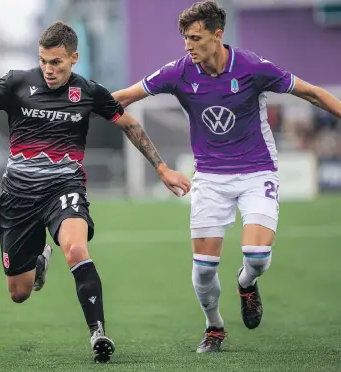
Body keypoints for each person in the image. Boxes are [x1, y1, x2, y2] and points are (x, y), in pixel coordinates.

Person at [0, 22, 191, 363]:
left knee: (76, 248)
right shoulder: (17, 82)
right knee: (19, 293)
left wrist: (162, 168)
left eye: (57, 62)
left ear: (73, 58)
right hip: (18, 196)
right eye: (44, 61)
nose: (49, 69)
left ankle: (98, 333)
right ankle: (39, 257)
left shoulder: (89, 91)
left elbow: (130, 124)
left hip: (64, 188)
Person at [111, 0, 341, 353]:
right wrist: (74, 110)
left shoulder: (253, 67)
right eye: (185, 38)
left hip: (256, 171)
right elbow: (124, 97)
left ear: (218, 36)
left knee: (257, 257)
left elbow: (310, 92)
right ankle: (214, 327)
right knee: (203, 270)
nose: (188, 46)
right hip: (210, 179)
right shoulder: (178, 71)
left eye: (195, 38)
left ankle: (246, 283)